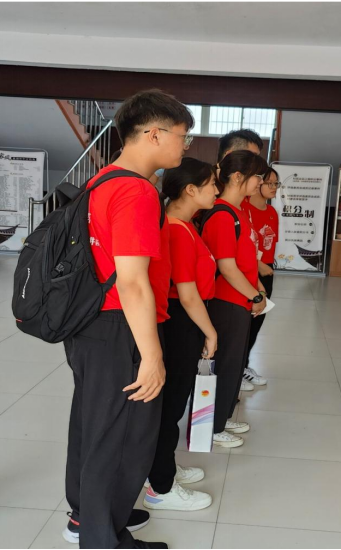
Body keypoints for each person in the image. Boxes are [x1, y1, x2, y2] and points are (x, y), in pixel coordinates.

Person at [62, 89, 193, 549]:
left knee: (93, 425)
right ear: (154, 134)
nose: (184, 146)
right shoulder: (136, 191)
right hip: (122, 326)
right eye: (182, 136)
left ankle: (87, 517)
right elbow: (133, 282)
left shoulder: (102, 180)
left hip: (92, 324)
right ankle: (101, 537)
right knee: (124, 435)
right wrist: (152, 357)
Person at [143, 158, 219, 512]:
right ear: (190, 189)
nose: (216, 190)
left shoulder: (184, 225)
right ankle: (160, 487)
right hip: (180, 323)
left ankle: (163, 469)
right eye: (212, 184)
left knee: (171, 406)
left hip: (181, 321)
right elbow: (187, 295)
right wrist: (210, 332)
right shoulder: (177, 230)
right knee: (169, 408)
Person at [201, 150, 269, 448]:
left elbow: (247, 260)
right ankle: (212, 426)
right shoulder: (221, 214)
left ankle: (223, 416)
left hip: (240, 301)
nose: (261, 183)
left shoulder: (240, 212)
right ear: (238, 177)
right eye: (258, 177)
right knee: (225, 365)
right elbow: (227, 267)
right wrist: (254, 294)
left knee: (235, 363)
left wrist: (258, 290)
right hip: (225, 302)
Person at [241, 167, 280, 386]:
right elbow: (241, 246)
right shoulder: (243, 208)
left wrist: (266, 267)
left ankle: (243, 365)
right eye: (269, 183)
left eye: (276, 183)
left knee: (257, 323)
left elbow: (270, 245)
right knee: (243, 324)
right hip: (248, 272)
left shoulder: (272, 212)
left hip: (266, 272)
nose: (274, 187)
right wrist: (258, 265)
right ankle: (236, 369)